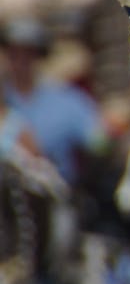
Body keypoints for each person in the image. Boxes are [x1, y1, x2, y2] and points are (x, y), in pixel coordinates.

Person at [1, 19, 105, 187]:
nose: (20, 62)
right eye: (14, 54)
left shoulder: (68, 100)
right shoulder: (3, 99)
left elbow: (97, 140)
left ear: (39, 56)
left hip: (55, 193)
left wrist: (111, 133)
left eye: (27, 54)